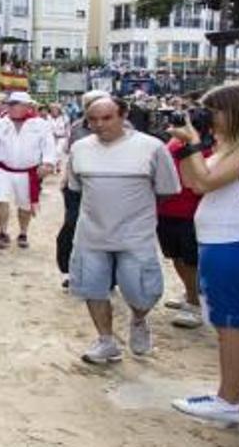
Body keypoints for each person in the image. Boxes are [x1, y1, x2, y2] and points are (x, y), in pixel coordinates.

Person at [168, 84, 239, 425]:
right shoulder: (228, 148)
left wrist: (191, 144)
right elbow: (192, 181)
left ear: (235, 112)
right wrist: (190, 145)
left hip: (234, 241)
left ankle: (227, 400)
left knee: (230, 322)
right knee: (235, 323)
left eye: (210, 111)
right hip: (223, 241)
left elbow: (205, 182)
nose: (205, 117)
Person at [67, 97, 179, 364]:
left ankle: (139, 320)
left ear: (123, 115)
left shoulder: (151, 147)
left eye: (107, 118)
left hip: (135, 236)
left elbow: (166, 189)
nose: (99, 125)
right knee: (92, 289)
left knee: (142, 290)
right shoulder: (80, 148)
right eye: (92, 120)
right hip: (91, 235)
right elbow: (77, 187)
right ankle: (106, 340)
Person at [157, 106, 211, 329]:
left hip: (190, 212)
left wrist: (190, 143)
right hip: (167, 209)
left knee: (191, 260)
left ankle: (195, 303)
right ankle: (190, 293)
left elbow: (199, 182)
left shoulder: (207, 149)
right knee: (176, 256)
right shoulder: (173, 143)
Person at [55, 90, 111, 288]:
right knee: (71, 226)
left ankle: (107, 275)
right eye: (89, 105)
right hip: (77, 186)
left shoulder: (122, 127)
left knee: (105, 230)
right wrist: (65, 177)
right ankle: (69, 270)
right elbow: (70, 154)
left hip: (108, 188)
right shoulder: (78, 127)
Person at [0, 92, 56, 250]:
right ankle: (3, 232)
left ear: (27, 106)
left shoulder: (40, 124)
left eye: (14, 104)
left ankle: (23, 232)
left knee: (24, 205)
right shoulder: (1, 123)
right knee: (0, 199)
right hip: (4, 168)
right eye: (9, 104)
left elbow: (48, 145)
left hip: (28, 172)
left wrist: (47, 163)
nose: (10, 107)